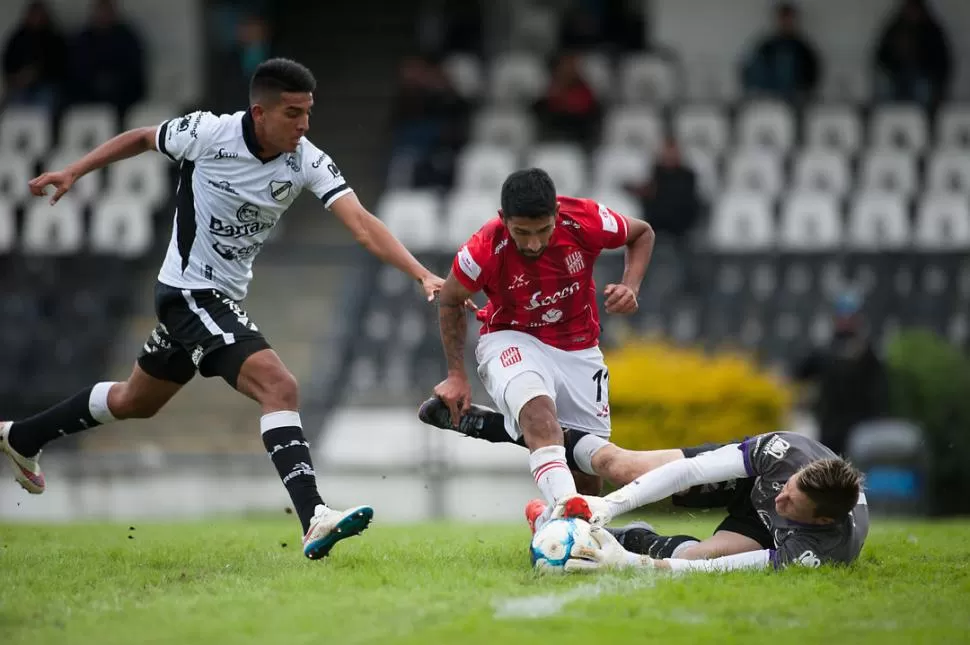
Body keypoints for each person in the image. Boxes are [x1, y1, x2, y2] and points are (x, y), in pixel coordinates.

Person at [0, 58, 448, 561]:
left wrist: (422, 273)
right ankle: (314, 516)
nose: (304, 125)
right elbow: (144, 138)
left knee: (135, 401)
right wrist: (75, 171)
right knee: (280, 387)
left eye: (308, 113)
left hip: (216, 298)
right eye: (293, 113)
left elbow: (363, 224)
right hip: (189, 293)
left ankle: (21, 435)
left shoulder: (306, 159)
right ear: (260, 112)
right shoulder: (210, 133)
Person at [432, 168, 656, 526]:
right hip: (511, 337)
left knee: (587, 467)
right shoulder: (484, 246)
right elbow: (449, 298)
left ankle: (550, 516)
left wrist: (631, 286)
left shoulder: (585, 219)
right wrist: (456, 374)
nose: (534, 243)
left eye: (543, 230)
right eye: (522, 232)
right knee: (539, 416)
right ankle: (568, 520)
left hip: (579, 349)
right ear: (503, 219)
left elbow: (642, 232)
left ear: (557, 213)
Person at [417, 402, 869, 571]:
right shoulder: (781, 456)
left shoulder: (817, 553)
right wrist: (609, 505)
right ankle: (497, 424)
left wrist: (631, 562)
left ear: (823, 519)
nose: (781, 496)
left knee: (696, 556)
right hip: (747, 475)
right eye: (787, 487)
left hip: (771, 531)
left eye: (792, 502)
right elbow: (690, 472)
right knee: (626, 467)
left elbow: (711, 570)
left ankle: (601, 539)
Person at [792, 292, 890, 456]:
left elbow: (879, 392)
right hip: (829, 426)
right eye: (842, 317)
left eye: (850, 317)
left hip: (859, 427)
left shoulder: (867, 354)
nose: (846, 321)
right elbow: (800, 373)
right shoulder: (824, 351)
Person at [873, 0, 952, 107]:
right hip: (896, 76)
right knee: (884, 86)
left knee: (923, 88)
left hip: (922, 78)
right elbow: (880, 58)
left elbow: (942, 63)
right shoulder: (894, 29)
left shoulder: (932, 32)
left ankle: (925, 120)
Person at [741, 3, 820, 103]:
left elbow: (812, 76)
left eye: (789, 19)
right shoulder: (767, 46)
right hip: (769, 98)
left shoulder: (803, 49)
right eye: (783, 19)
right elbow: (750, 72)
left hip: (795, 99)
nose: (786, 23)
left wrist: (803, 92)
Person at [1, 0, 68, 110]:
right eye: (34, 14)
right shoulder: (17, 39)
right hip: (20, 86)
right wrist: (19, 78)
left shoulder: (54, 39)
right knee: (15, 103)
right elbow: (8, 66)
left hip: (47, 85)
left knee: (45, 100)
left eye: (39, 15)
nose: (37, 18)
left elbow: (61, 68)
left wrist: (36, 74)